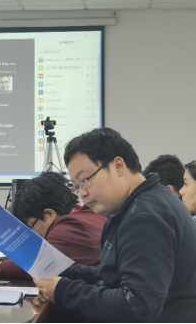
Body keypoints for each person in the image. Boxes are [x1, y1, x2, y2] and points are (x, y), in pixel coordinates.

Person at [34, 128, 196, 323]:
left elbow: (137, 305)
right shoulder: (145, 203)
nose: (82, 193)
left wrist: (62, 290)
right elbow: (113, 274)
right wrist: (61, 275)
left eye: (84, 181)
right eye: (76, 186)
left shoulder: (145, 217)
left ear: (118, 166)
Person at [0, 173, 106, 280]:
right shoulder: (92, 215)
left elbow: (40, 266)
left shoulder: (67, 228)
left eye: (31, 224)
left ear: (49, 214)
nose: (32, 232)